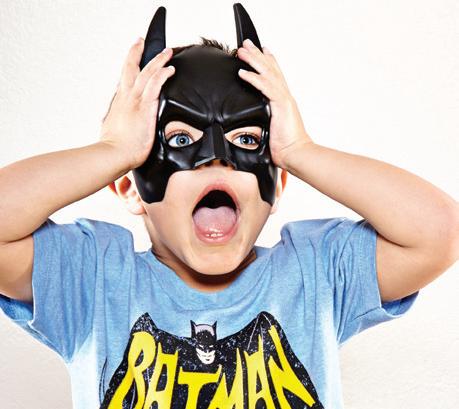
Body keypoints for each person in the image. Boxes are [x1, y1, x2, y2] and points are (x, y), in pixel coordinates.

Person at [0, 4, 457, 408]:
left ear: (277, 183)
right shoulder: (93, 281)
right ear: (129, 186)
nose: (216, 157)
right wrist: (115, 149)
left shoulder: (315, 275)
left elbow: (438, 232)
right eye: (181, 140)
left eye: (247, 139)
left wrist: (300, 149)